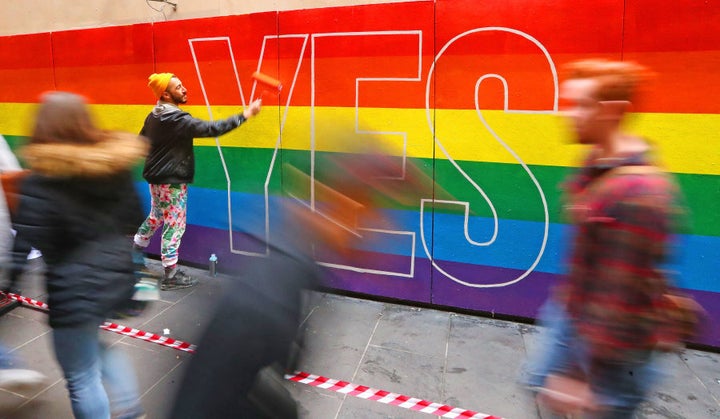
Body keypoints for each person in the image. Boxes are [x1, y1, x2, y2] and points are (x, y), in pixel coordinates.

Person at [521, 59, 685, 417]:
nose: (566, 115)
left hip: (609, 354)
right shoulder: (597, 164)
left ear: (614, 112)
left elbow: (620, 291)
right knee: (538, 387)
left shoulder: (638, 192)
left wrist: (581, 373)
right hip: (575, 319)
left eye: (580, 105)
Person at [9, 91, 147, 419]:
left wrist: (9, 279)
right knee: (94, 345)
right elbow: (135, 215)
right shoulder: (113, 166)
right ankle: (131, 409)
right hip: (118, 276)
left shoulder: (41, 181)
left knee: (80, 375)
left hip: (74, 289)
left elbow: (28, 237)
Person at [132, 73, 262, 290]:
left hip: (156, 179)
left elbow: (141, 142)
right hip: (171, 181)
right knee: (175, 224)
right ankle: (171, 274)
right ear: (165, 93)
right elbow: (212, 129)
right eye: (178, 87)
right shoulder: (176, 119)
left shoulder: (153, 116)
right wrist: (246, 114)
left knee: (156, 216)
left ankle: (134, 254)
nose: (184, 89)